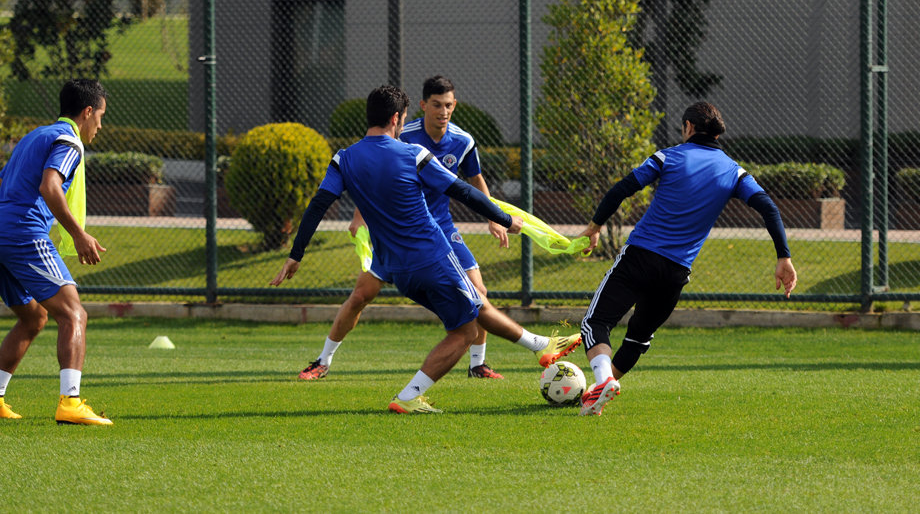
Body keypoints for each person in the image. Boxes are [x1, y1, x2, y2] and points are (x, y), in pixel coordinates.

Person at [272, 85, 581, 413]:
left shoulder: (344, 159)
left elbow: (317, 206)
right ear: (396, 118)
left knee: (475, 307)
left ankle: (541, 346)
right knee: (465, 330)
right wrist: (505, 219)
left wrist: (296, 255)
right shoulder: (412, 154)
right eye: (404, 118)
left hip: (398, 270)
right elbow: (462, 191)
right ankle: (408, 397)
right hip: (432, 257)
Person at [576, 101, 798, 417]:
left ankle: (603, 380)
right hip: (676, 272)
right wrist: (783, 256)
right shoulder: (734, 171)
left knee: (595, 322)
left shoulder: (670, 156)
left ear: (689, 127)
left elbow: (623, 188)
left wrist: (595, 226)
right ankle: (598, 395)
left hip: (640, 256)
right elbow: (769, 208)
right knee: (638, 339)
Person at [298, 76, 511, 381]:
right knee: (361, 295)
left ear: (454, 105)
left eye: (448, 105)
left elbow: (474, 180)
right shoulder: (404, 136)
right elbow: (375, 174)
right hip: (398, 231)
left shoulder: (463, 141)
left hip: (441, 228)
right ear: (422, 106)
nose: (443, 111)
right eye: (436, 105)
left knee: (479, 292)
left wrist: (494, 216)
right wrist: (360, 216)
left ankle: (477, 365)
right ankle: (323, 361)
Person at [0, 79, 113, 426]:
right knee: (74, 314)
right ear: (88, 112)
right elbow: (50, 186)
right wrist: (78, 235)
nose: (100, 126)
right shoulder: (69, 141)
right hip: (21, 234)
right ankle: (71, 402)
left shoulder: (34, 137)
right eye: (100, 117)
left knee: (34, 318)